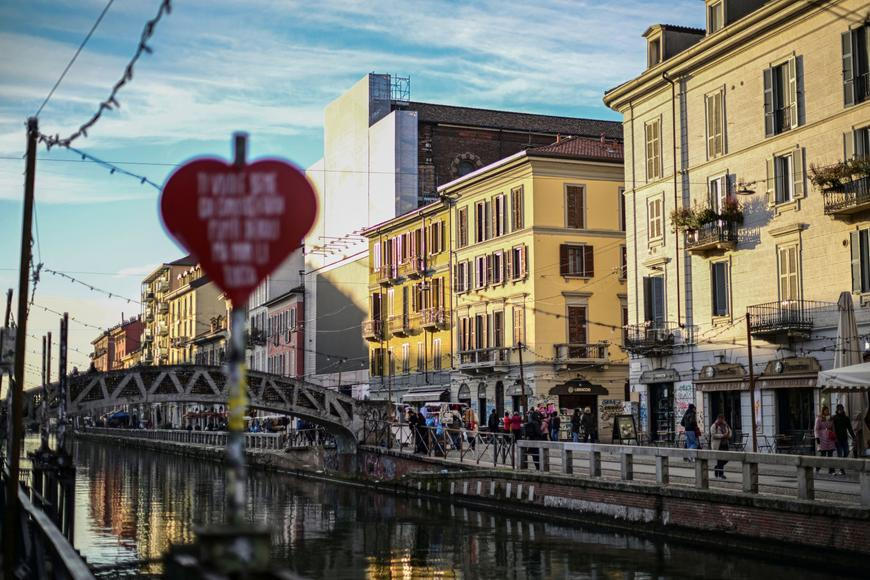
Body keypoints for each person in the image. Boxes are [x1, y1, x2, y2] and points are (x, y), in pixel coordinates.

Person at [832, 404, 855, 475]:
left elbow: (850, 428)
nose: (840, 410)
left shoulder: (846, 418)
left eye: (841, 409)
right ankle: (841, 469)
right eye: (839, 409)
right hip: (837, 439)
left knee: (847, 451)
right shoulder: (834, 418)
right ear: (837, 410)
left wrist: (853, 437)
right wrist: (834, 437)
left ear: (843, 409)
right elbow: (833, 428)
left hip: (844, 438)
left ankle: (842, 466)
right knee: (840, 454)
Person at [814, 405, 836, 474]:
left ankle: (831, 469)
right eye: (826, 410)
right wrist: (817, 438)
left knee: (830, 455)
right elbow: (816, 429)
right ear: (823, 411)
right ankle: (818, 467)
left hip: (830, 438)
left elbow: (833, 427)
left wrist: (834, 436)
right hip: (822, 438)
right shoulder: (819, 418)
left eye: (828, 410)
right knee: (823, 455)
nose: (827, 411)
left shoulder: (830, 418)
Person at [710, 414, 732, 480]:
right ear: (718, 419)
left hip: (725, 444)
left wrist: (728, 436)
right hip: (718, 445)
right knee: (720, 460)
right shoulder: (714, 425)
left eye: (723, 419)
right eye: (721, 419)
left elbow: (730, 431)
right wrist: (722, 435)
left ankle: (717, 468)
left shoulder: (725, 425)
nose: (723, 420)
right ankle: (721, 474)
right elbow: (713, 435)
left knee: (726, 458)